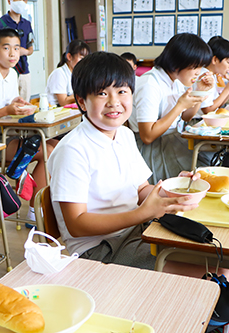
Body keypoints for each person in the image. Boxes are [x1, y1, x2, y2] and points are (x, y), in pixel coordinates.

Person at [47, 52, 199, 269]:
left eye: (122, 91)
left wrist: (173, 190)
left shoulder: (124, 134)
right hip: (98, 250)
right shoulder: (73, 149)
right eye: (101, 93)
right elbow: (76, 225)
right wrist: (141, 214)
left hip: (136, 230)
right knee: (197, 264)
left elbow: (141, 190)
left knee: (209, 250)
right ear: (81, 101)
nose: (114, 102)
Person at [0, 28, 58, 222]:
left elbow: (7, 106)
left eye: (17, 48)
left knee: (56, 147)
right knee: (47, 152)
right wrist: (6, 111)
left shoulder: (12, 74)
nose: (12, 54)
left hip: (9, 134)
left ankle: (39, 197)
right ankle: (35, 212)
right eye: (6, 48)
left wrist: (16, 102)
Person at [128, 33, 214, 183]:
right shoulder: (150, 84)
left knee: (204, 171)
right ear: (177, 62)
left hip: (171, 142)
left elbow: (186, 116)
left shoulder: (174, 81)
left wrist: (200, 93)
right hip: (152, 151)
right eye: (195, 66)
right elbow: (147, 136)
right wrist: (180, 105)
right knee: (196, 178)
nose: (198, 72)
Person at [0, 0, 34, 102]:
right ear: (9, 1)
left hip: (24, 71)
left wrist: (23, 51)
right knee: (6, 104)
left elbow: (31, 49)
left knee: (24, 103)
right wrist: (8, 49)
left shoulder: (27, 24)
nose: (21, 2)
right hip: (5, 71)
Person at [45, 40, 90, 107]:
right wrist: (84, 94)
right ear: (69, 57)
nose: (84, 62)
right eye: (81, 58)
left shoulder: (77, 74)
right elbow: (63, 102)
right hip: (55, 112)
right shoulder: (59, 73)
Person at [198, 36, 229, 115]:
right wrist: (227, 90)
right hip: (197, 122)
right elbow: (207, 110)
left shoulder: (213, 75)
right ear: (215, 60)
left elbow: (218, 104)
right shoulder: (205, 76)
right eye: (228, 62)